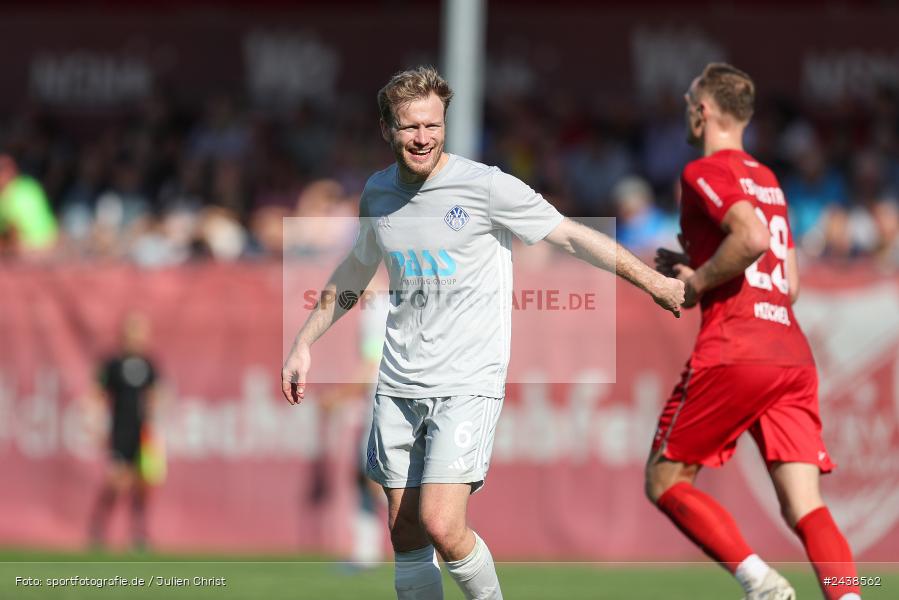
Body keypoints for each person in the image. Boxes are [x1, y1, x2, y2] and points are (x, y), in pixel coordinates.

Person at [282, 65, 685, 600]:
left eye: (432, 125)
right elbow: (355, 272)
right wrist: (303, 343)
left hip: (467, 381)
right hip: (398, 382)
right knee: (404, 530)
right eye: (409, 127)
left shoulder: (485, 186)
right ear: (387, 130)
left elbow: (568, 235)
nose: (422, 138)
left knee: (443, 526)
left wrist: (652, 280)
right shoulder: (378, 194)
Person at [645, 63, 860, 600]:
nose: (686, 110)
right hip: (789, 351)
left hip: (736, 348)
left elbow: (752, 239)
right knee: (804, 506)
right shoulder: (767, 179)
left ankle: (761, 582)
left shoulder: (704, 171)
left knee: (665, 481)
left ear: (704, 110)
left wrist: (697, 283)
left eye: (689, 100)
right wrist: (700, 261)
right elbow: (787, 285)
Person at [88, 312, 161, 550]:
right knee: (118, 481)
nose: (137, 338)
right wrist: (95, 422)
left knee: (141, 485)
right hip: (120, 432)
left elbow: (157, 394)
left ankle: (139, 534)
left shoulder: (149, 365)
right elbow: (98, 393)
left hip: (143, 433)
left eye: (140, 333)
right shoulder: (113, 364)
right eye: (132, 332)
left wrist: (155, 417)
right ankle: (99, 526)